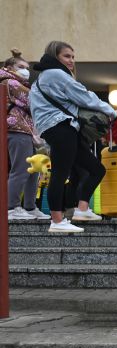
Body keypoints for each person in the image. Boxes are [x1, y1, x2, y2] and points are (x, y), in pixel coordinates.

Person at [30, 41, 116, 233]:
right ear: (55, 57)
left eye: (73, 56)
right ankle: (57, 221)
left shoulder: (44, 77)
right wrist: (110, 110)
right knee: (60, 174)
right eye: (67, 56)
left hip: (63, 128)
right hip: (60, 127)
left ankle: (82, 210)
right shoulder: (55, 74)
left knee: (96, 169)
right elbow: (84, 96)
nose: (71, 61)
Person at [1, 49, 49, 220]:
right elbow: (33, 101)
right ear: (9, 67)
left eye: (27, 67)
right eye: (21, 66)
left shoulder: (17, 83)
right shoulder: (9, 83)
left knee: (33, 169)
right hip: (16, 130)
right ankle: (12, 207)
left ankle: (29, 206)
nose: (26, 70)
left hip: (25, 130)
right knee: (21, 169)